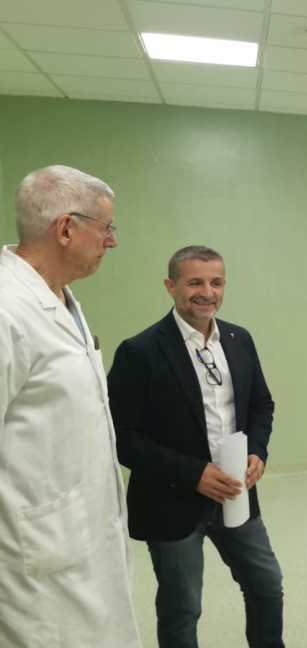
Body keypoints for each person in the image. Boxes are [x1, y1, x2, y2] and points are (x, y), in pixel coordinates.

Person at [107, 245, 284, 648]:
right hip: (171, 503)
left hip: (236, 494)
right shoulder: (140, 352)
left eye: (216, 282)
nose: (207, 292)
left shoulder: (239, 339)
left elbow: (261, 404)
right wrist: (193, 474)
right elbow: (123, 437)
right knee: (182, 607)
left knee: (266, 584)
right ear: (170, 286)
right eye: (195, 283)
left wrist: (258, 451)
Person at [0, 165, 141, 646]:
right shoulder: (7, 309)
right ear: (65, 229)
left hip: (79, 538)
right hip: (32, 557)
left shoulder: (58, 299)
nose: (112, 241)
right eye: (106, 228)